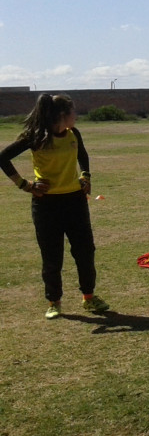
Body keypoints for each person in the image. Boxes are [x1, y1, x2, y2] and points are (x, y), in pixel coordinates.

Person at [0, 94, 109, 319]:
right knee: (52, 256)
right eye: (73, 112)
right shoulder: (35, 137)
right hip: (46, 205)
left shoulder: (73, 134)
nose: (76, 116)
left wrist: (86, 176)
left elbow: (83, 155)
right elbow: (3, 157)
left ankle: (89, 298)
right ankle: (54, 302)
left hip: (75, 201)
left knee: (85, 252)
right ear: (62, 115)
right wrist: (25, 184)